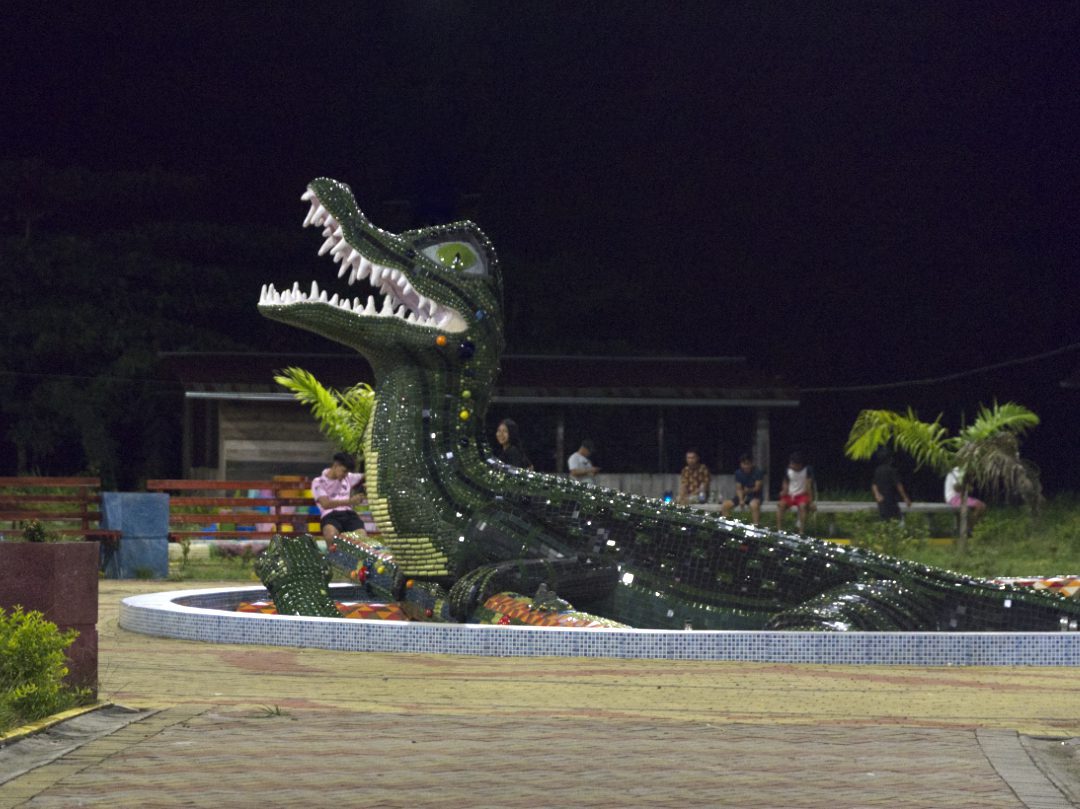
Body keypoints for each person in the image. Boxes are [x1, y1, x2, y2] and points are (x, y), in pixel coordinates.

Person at [311, 450, 367, 548]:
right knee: (331, 535)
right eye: (344, 471)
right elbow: (325, 504)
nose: (345, 475)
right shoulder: (318, 482)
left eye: (347, 472)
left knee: (362, 536)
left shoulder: (347, 477)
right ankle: (333, 561)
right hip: (330, 516)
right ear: (336, 465)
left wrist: (368, 484)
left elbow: (366, 476)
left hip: (349, 515)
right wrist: (350, 501)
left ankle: (358, 563)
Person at [776, 451, 814, 533]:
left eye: (793, 464)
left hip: (802, 495)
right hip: (789, 495)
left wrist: (810, 502)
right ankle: (779, 529)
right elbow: (785, 483)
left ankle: (801, 531)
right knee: (780, 505)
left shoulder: (807, 470)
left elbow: (808, 486)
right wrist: (783, 491)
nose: (791, 465)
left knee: (803, 506)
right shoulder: (787, 471)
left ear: (799, 464)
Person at [721, 453, 764, 524]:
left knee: (754, 505)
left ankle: (756, 527)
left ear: (752, 464)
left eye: (748, 464)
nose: (746, 466)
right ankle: (728, 526)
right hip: (742, 495)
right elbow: (739, 488)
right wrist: (741, 500)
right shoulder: (738, 473)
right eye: (744, 464)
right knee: (725, 505)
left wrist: (748, 490)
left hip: (755, 496)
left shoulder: (758, 472)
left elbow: (757, 488)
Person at [871, 448, 911, 521]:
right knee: (898, 520)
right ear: (889, 459)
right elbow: (898, 485)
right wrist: (905, 498)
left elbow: (874, 485)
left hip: (881, 502)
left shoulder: (877, 470)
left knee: (884, 520)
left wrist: (877, 495)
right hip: (891, 501)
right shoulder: (892, 471)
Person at [944, 466, 986, 530]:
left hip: (960, 497)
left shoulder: (963, 471)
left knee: (981, 506)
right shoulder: (956, 471)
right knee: (979, 506)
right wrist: (966, 487)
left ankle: (972, 528)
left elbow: (968, 489)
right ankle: (970, 528)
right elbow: (956, 488)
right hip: (953, 498)